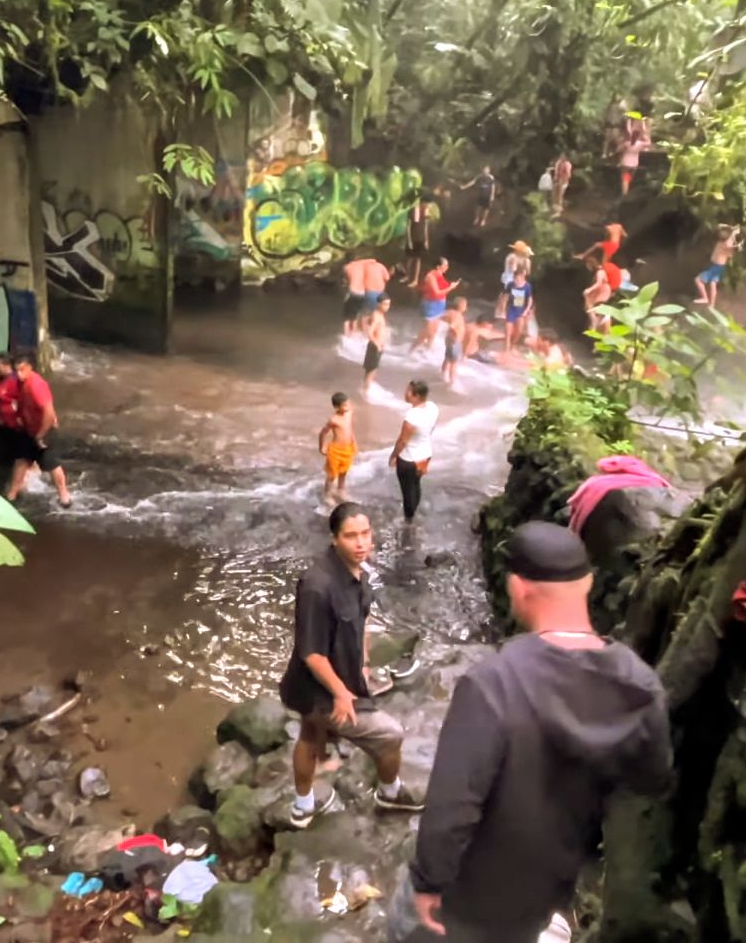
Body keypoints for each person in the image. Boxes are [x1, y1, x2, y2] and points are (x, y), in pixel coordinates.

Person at [402, 522, 672, 942]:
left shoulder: (494, 683)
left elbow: (452, 806)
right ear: (588, 583)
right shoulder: (641, 684)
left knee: (406, 921)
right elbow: (651, 779)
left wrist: (428, 880)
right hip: (549, 887)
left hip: (474, 893)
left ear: (519, 588)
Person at [278, 502, 425, 828]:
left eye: (365, 534)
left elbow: (362, 620)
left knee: (310, 735)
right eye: (350, 536)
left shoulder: (360, 574)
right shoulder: (317, 586)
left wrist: (363, 664)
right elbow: (311, 653)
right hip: (317, 690)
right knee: (390, 735)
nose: (360, 543)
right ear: (334, 539)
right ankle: (390, 792)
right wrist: (342, 694)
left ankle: (303, 808)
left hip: (334, 682)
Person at [7, 352, 73, 508]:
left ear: (30, 368)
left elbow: (49, 415)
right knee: (22, 459)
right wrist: (19, 417)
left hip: (44, 431)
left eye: (22, 370)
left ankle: (64, 495)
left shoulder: (36, 386)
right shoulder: (19, 382)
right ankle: (13, 492)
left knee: (51, 464)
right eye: (16, 371)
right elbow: (21, 402)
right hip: (27, 428)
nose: (19, 374)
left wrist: (40, 436)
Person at [389, 380, 437, 523]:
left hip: (409, 459)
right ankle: (413, 511)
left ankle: (408, 519)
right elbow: (430, 429)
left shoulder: (412, 416)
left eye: (408, 391)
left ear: (416, 396)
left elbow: (403, 441)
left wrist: (393, 456)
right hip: (425, 455)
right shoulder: (433, 407)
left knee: (407, 490)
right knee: (416, 484)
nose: (405, 393)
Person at [411, 257, 460, 353]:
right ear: (438, 266)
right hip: (430, 305)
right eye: (445, 265)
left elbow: (442, 289)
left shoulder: (440, 275)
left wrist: (451, 285)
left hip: (440, 304)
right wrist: (451, 288)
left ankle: (427, 351)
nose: (447, 267)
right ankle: (411, 350)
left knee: (434, 332)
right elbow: (437, 292)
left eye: (447, 265)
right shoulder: (431, 276)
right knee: (427, 331)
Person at [319, 392, 357, 506]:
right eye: (344, 405)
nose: (347, 407)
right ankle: (327, 494)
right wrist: (322, 446)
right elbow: (323, 433)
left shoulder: (349, 414)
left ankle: (341, 490)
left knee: (344, 472)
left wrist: (354, 442)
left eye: (348, 404)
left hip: (347, 448)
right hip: (335, 450)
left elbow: (350, 429)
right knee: (332, 475)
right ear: (337, 407)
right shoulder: (333, 420)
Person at [694, 225, 743, 309]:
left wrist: (733, 232)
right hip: (718, 266)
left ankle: (705, 298)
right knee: (713, 284)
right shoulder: (727, 244)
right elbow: (719, 226)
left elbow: (729, 242)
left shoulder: (726, 245)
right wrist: (732, 228)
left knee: (698, 280)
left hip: (716, 267)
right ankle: (711, 304)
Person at [343, 258, 392, 336]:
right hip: (381, 293)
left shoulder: (363, 267)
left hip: (369, 293)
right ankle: (381, 332)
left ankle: (364, 335)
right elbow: (387, 278)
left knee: (364, 316)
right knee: (379, 314)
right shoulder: (380, 266)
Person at [618, 105, 652, 197]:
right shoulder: (632, 122)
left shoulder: (640, 122)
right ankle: (626, 191)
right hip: (635, 156)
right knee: (627, 177)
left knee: (626, 178)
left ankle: (625, 193)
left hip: (629, 153)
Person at [405, 191, 437, 287]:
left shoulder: (426, 212)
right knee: (409, 258)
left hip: (421, 238)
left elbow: (425, 226)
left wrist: (426, 240)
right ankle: (407, 275)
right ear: (423, 202)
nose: (429, 206)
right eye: (427, 204)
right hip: (413, 236)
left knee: (417, 259)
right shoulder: (415, 210)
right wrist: (409, 239)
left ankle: (415, 280)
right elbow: (408, 226)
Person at [495, 240, 533, 320]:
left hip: (517, 278)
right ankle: (501, 311)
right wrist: (521, 269)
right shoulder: (513, 257)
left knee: (517, 294)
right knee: (506, 295)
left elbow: (527, 272)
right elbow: (513, 269)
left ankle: (515, 311)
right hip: (510, 278)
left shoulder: (521, 258)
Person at [363, 295, 392, 395]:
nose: (387, 307)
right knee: (371, 371)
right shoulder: (376, 315)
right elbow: (370, 332)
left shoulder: (379, 314)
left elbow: (367, 322)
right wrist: (377, 345)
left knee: (371, 370)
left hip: (376, 347)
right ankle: (366, 391)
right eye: (385, 304)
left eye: (388, 304)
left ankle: (366, 389)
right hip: (374, 347)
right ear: (378, 304)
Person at [439, 297, 468, 388]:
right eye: (465, 306)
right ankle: (453, 383)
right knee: (454, 362)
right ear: (462, 307)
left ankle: (443, 376)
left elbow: (439, 317)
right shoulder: (458, 316)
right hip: (455, 341)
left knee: (447, 358)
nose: (466, 308)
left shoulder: (450, 312)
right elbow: (453, 325)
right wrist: (454, 332)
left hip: (448, 339)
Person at [503, 269, 535, 351]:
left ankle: (513, 344)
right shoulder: (511, 284)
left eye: (518, 278)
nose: (516, 280)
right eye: (515, 278)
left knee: (519, 330)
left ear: (522, 277)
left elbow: (530, 299)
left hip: (520, 309)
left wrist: (527, 310)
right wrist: (503, 309)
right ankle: (507, 347)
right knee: (508, 331)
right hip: (511, 309)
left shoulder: (527, 286)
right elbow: (505, 297)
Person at [0, 352, 20, 431]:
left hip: (13, 424)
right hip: (3, 420)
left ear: (7, 365)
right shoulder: (1, 379)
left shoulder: (15, 381)